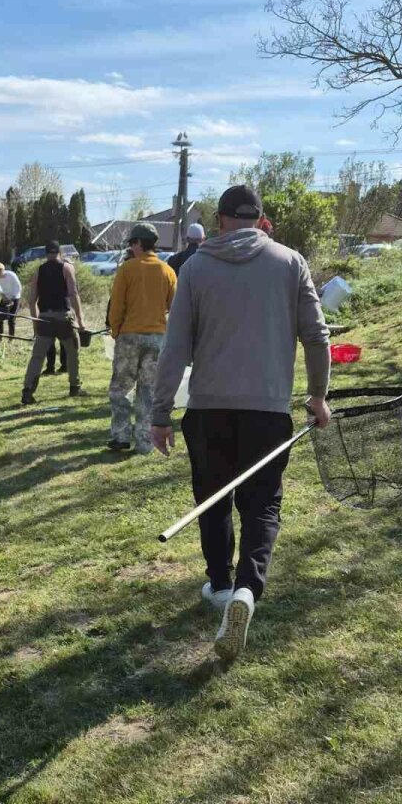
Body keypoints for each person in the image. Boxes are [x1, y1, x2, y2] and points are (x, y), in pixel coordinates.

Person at [150, 184, 331, 662]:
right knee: (262, 504)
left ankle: (220, 585)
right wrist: (318, 397)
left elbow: (175, 347)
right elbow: (317, 336)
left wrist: (160, 413)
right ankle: (249, 589)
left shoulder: (195, 267)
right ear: (261, 219)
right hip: (267, 412)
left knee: (213, 500)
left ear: (221, 220)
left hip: (208, 411)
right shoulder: (291, 263)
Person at [107, 223, 177, 453]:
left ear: (138, 243)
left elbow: (117, 305)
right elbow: (174, 307)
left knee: (121, 388)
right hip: (157, 338)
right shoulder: (167, 271)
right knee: (149, 390)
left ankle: (120, 436)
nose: (131, 247)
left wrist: (115, 330)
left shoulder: (127, 269)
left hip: (129, 336)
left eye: (132, 243)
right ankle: (145, 441)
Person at [21, 241, 88, 405]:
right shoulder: (67, 268)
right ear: (60, 253)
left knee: (37, 357)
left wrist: (36, 322)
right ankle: (75, 386)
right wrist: (80, 320)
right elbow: (73, 294)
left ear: (46, 254)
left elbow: (31, 300)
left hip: (44, 318)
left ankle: (28, 391)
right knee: (72, 352)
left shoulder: (39, 270)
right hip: (64, 317)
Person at [0, 261, 22, 337]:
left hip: (15, 297)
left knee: (11, 318)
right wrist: (3, 295)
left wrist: (12, 299)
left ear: (1, 270)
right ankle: (0, 336)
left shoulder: (11, 275)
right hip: (5, 297)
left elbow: (18, 287)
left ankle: (11, 337)